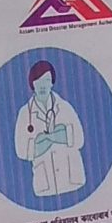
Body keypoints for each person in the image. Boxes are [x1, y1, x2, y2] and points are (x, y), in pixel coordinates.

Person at [16, 59, 87, 197]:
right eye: (38, 81)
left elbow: (79, 139)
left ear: (52, 83)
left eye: (47, 80)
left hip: (73, 180)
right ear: (32, 84)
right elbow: (21, 151)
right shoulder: (25, 113)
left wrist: (45, 139)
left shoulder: (65, 107)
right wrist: (60, 135)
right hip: (45, 185)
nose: (43, 85)